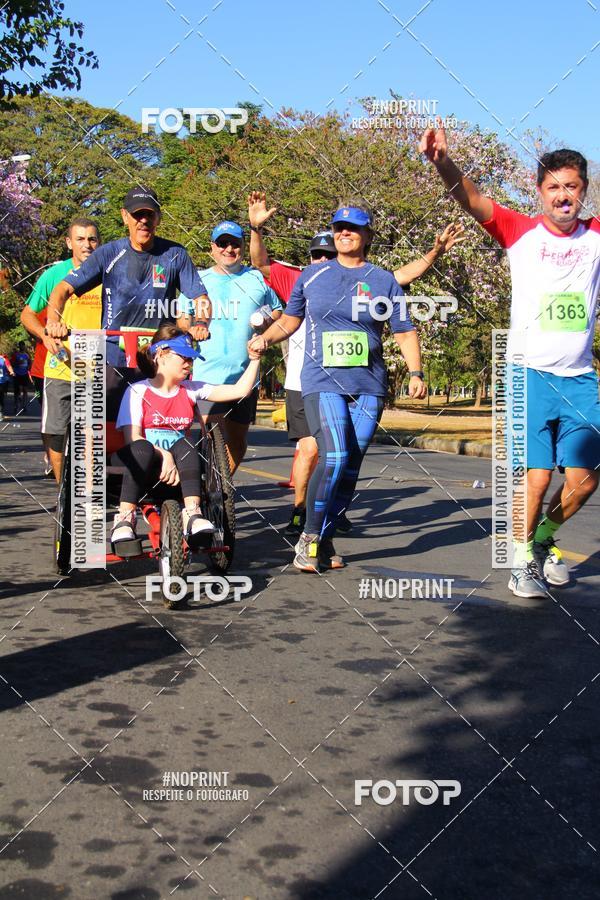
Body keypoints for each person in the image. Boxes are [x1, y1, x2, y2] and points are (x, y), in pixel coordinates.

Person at [420, 124, 600, 598]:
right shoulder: (518, 231)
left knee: (585, 481)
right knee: (537, 478)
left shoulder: (597, 236)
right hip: (529, 375)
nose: (564, 196)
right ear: (540, 191)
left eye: (573, 187)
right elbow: (471, 197)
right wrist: (442, 162)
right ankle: (521, 562)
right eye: (554, 187)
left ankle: (541, 541)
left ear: (585, 190)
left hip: (580, 378)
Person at [247, 190, 464, 536]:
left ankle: (329, 529)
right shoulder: (310, 277)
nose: (344, 233)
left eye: (352, 228)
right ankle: (311, 536)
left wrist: (416, 372)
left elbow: (404, 331)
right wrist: (265, 338)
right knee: (332, 456)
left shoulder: (382, 280)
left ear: (368, 236)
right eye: (339, 228)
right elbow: (290, 321)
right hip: (321, 382)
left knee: (351, 461)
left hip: (368, 386)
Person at [45, 186, 211, 421]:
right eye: (137, 215)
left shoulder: (176, 254)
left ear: (158, 218)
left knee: (160, 421)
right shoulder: (108, 253)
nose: (143, 221)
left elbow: (201, 298)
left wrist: (202, 323)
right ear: (125, 217)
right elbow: (62, 290)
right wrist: (53, 322)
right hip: (114, 353)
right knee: (107, 426)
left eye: (149, 215)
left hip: (159, 354)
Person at [112, 325, 260, 553]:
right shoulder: (138, 391)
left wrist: (255, 359)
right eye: (183, 357)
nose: (189, 363)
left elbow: (240, 390)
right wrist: (165, 456)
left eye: (191, 358)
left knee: (189, 444)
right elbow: (132, 439)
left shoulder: (191, 390)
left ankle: (193, 513)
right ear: (161, 354)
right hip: (140, 464)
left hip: (179, 469)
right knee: (142, 447)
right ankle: (124, 518)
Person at [180, 220, 282, 473]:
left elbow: (279, 311)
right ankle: (200, 493)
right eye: (222, 243)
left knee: (236, 444)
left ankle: (220, 490)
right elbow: (182, 315)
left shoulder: (256, 278)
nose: (228, 249)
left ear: (243, 247)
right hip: (206, 377)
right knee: (205, 439)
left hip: (244, 377)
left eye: (234, 243)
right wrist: (190, 328)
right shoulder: (197, 280)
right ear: (212, 248)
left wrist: (266, 325)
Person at [20, 218, 102, 480]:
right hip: (60, 366)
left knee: (92, 431)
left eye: (92, 239)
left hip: (97, 367)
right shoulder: (54, 275)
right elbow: (28, 314)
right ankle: (62, 491)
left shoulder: (109, 274)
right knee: (55, 431)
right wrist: (45, 334)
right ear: (69, 243)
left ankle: (87, 491)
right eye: (80, 239)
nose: (87, 245)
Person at [10, 342, 31, 414]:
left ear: (24, 346)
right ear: (19, 346)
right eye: (21, 346)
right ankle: (16, 405)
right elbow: (11, 364)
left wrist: (28, 367)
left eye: (23, 346)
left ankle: (24, 405)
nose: (22, 347)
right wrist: (18, 363)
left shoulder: (27, 355)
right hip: (17, 374)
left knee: (25, 390)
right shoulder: (16, 355)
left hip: (24, 374)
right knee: (16, 391)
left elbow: (29, 363)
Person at [0, 352, 14, 421]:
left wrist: (11, 371)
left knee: (1, 397)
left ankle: (1, 413)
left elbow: (9, 366)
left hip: (3, 381)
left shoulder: (4, 359)